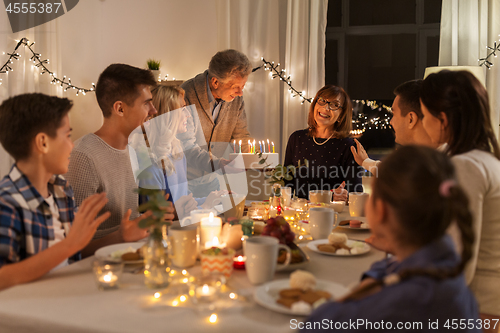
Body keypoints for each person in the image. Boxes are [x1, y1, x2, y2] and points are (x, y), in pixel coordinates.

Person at [303, 146, 480, 333]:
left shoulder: (399, 304)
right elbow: (391, 269)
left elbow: (315, 324)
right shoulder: (443, 262)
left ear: (381, 210)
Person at [0, 93, 111, 290]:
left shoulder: (61, 190)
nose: (72, 145)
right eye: (67, 135)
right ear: (43, 142)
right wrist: (69, 245)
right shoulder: (7, 202)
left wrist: (121, 237)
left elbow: (75, 252)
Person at [66, 64, 174, 257]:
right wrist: (122, 236)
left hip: (131, 262)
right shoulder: (84, 156)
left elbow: (128, 224)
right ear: (120, 109)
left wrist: (149, 219)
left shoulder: (134, 150)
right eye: (146, 103)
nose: (154, 110)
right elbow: (72, 247)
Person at [420, 70, 500, 330]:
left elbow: (458, 264)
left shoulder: (465, 167)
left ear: (442, 119)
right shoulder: (486, 159)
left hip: (481, 308)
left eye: (424, 115)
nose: (422, 123)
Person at [138, 84, 225, 219]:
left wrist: (214, 199)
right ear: (166, 115)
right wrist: (205, 207)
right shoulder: (150, 167)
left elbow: (185, 202)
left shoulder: (177, 153)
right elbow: (155, 221)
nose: (189, 115)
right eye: (183, 109)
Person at [179, 49, 252, 197]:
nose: (240, 93)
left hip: (211, 181)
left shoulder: (235, 99)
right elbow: (187, 146)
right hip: (184, 181)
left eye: (242, 87)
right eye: (235, 87)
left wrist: (255, 159)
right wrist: (218, 164)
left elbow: (241, 136)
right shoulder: (186, 94)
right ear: (215, 82)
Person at [283, 85, 362, 199]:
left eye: (334, 105)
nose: (326, 108)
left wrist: (344, 195)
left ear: (341, 115)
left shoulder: (349, 146)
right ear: (315, 104)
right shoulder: (296, 138)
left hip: (332, 213)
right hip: (300, 212)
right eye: (322, 101)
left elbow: (356, 192)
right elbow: (286, 183)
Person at [351, 79, 435, 175]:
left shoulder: (439, 170)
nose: (391, 122)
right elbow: (394, 172)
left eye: (394, 114)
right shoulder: (423, 160)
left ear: (410, 119)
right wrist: (365, 162)